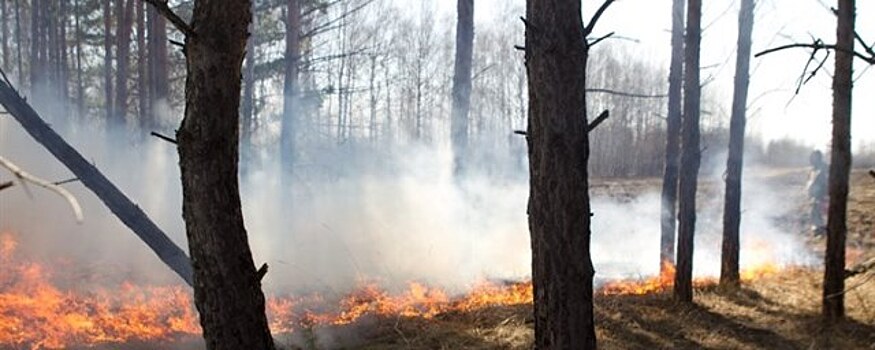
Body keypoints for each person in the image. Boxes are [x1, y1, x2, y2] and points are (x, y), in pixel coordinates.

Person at [806, 150, 828, 236]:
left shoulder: (824, 169)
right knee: (814, 212)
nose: (811, 160)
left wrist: (824, 195)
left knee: (820, 212)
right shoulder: (813, 170)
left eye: (813, 158)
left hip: (822, 196)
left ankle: (821, 229)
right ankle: (817, 229)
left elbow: (826, 182)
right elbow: (811, 182)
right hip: (815, 196)